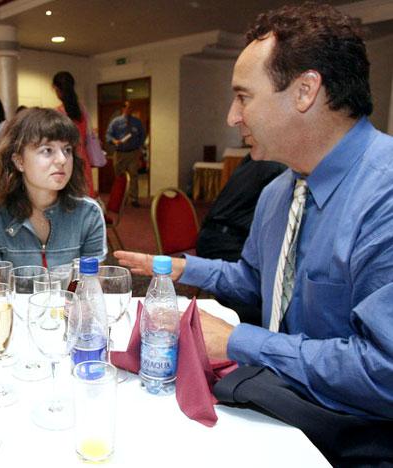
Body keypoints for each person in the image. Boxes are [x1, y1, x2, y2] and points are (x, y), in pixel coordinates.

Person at [116, 3, 393, 421]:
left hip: (349, 430)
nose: (232, 116)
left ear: (305, 91)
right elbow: (256, 281)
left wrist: (237, 341)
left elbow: (384, 371)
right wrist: (183, 268)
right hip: (274, 396)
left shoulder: (384, 195)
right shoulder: (278, 192)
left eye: (243, 96)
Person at [0, 107, 106, 286]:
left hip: (70, 305)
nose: (62, 160)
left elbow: (91, 290)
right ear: (19, 161)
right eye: (47, 150)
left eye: (67, 150)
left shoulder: (88, 213)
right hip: (15, 305)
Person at [196, 153, 286, 325]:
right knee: (258, 301)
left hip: (215, 234)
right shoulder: (280, 168)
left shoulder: (256, 157)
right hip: (226, 239)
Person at [52, 71, 96, 198]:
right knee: (84, 194)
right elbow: (88, 134)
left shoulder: (57, 113)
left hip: (66, 158)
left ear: (57, 89)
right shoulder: (82, 110)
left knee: (68, 197)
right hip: (83, 157)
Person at [105, 100, 145, 207]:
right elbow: (108, 135)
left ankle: (134, 199)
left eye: (131, 108)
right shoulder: (116, 122)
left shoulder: (137, 122)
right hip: (119, 154)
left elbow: (142, 136)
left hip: (133, 153)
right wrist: (114, 141)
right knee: (120, 177)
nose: (129, 110)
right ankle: (121, 199)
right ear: (123, 109)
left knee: (134, 175)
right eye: (127, 107)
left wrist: (139, 150)